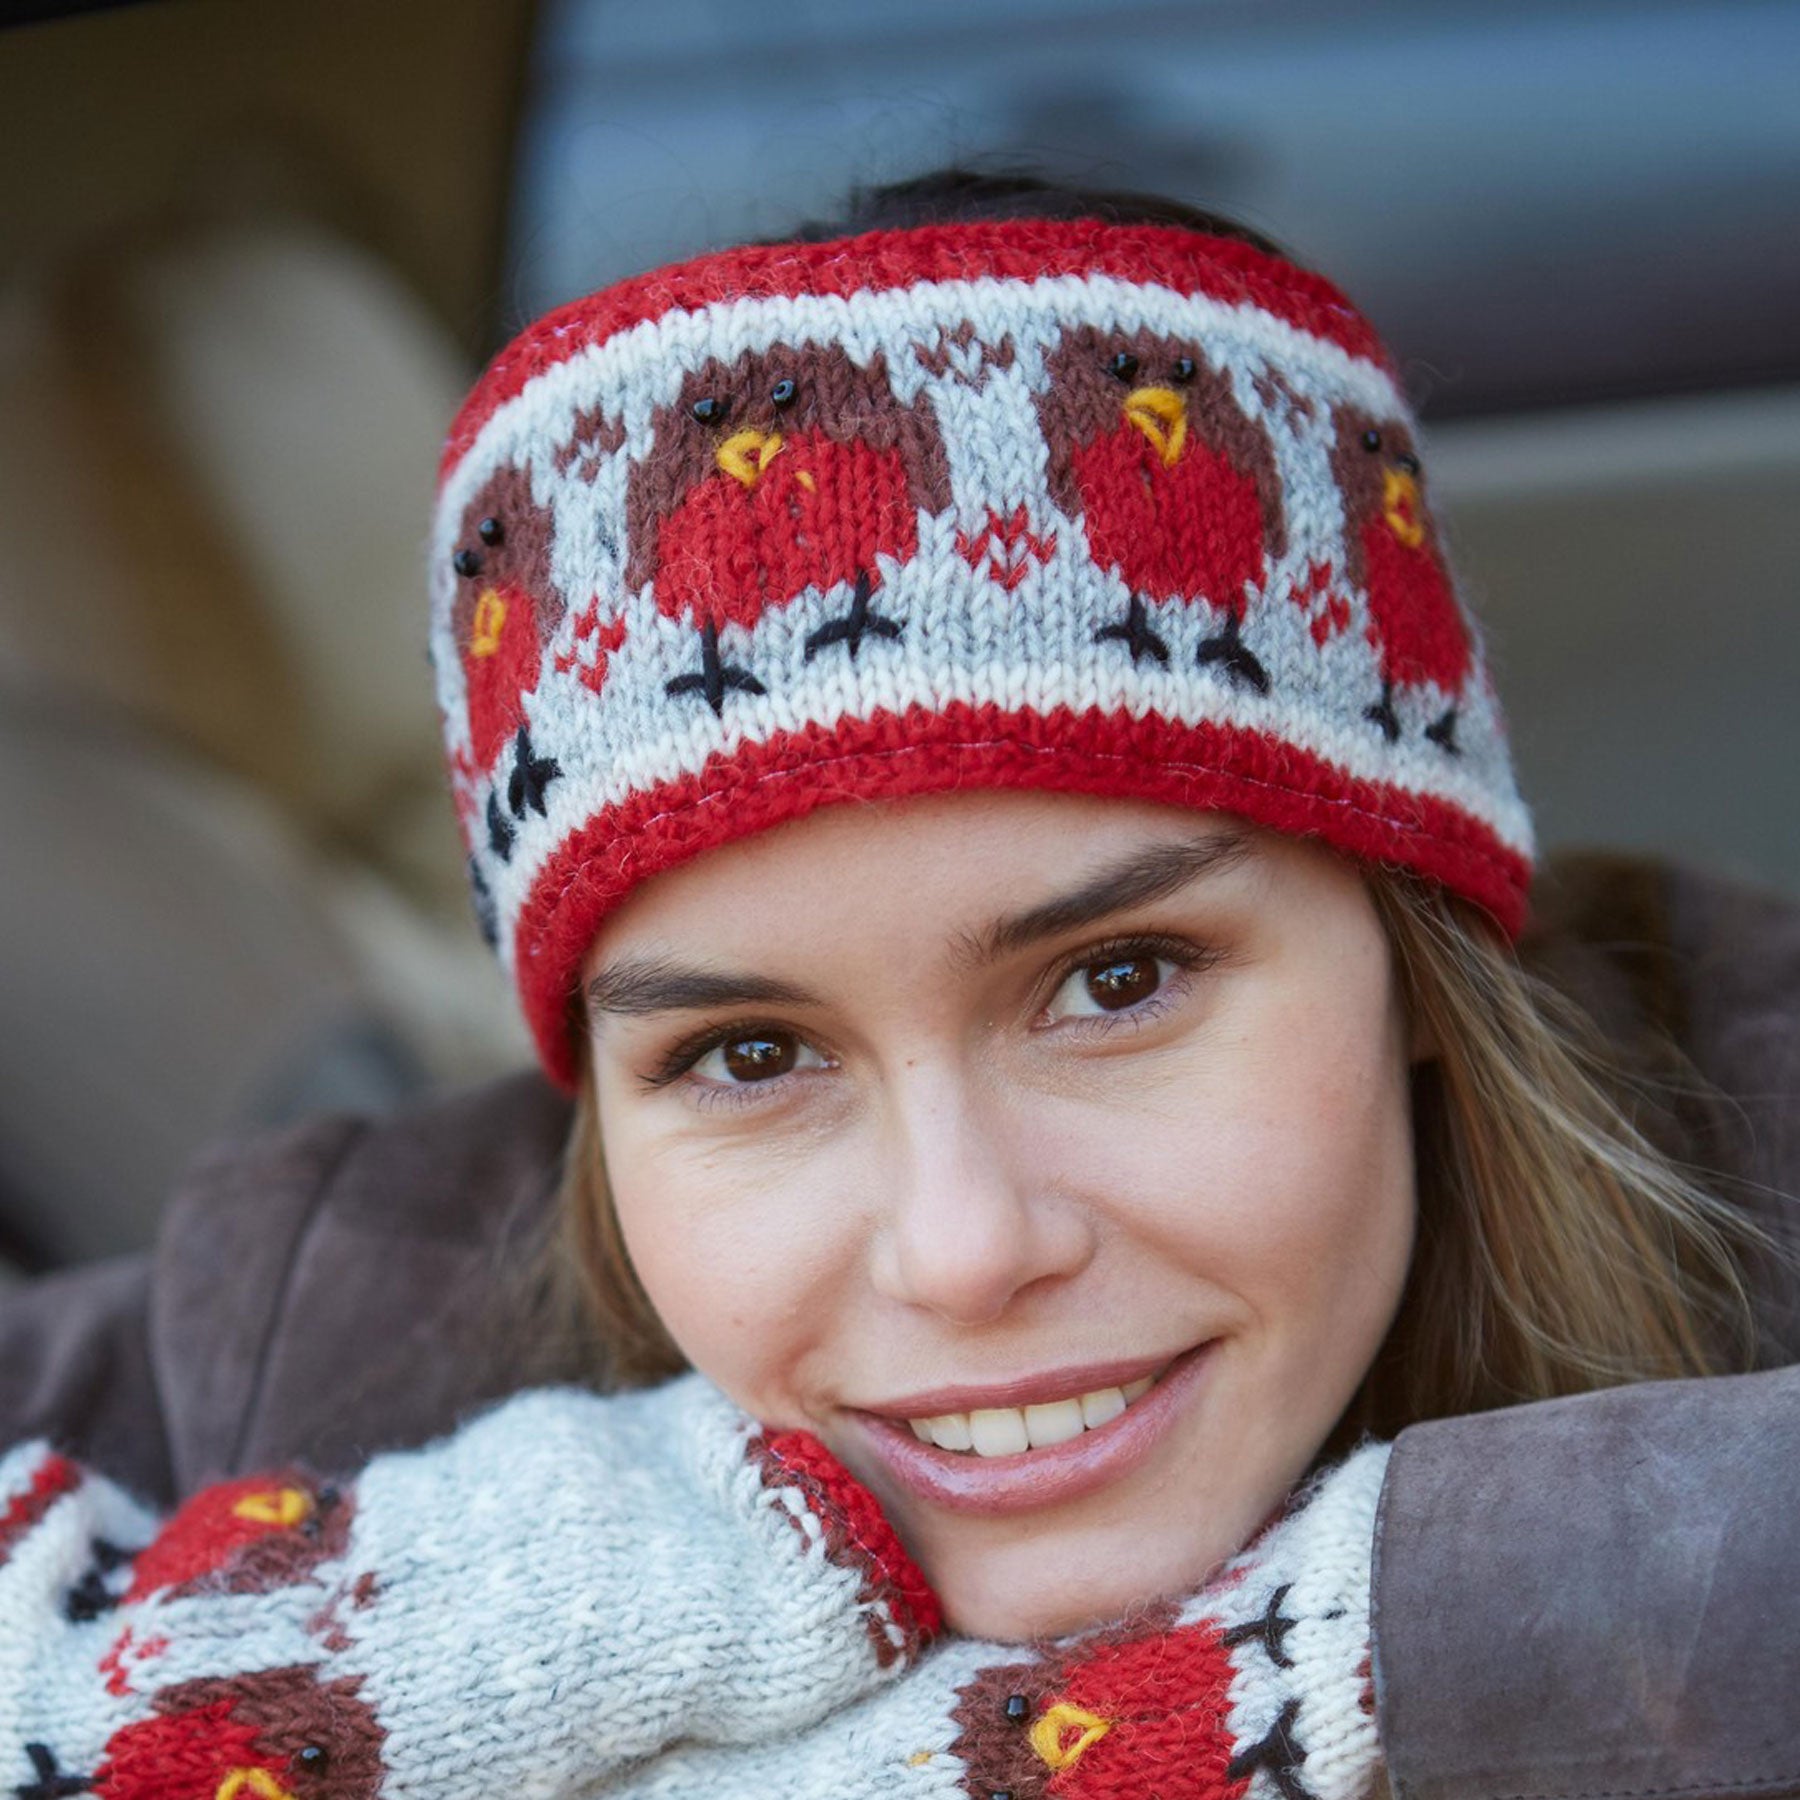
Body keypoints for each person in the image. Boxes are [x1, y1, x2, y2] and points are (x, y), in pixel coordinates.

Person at [3, 172, 1797, 1797]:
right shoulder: (325, 1327)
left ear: (1420, 958)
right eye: (752, 1050)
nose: (961, 1248)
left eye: (1116, 981)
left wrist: (1483, 1625)